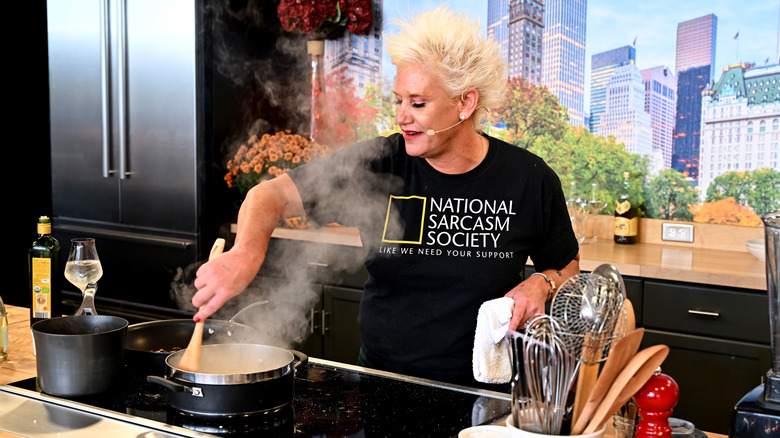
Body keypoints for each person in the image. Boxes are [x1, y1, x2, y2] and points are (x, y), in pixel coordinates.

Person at [193, 6, 580, 389]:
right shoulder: (379, 162)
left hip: (483, 388)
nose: (402, 116)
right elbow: (269, 195)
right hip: (383, 379)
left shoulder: (528, 178)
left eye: (418, 103)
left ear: (465, 103)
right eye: (399, 101)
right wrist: (246, 251)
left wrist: (542, 283)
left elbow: (568, 266)